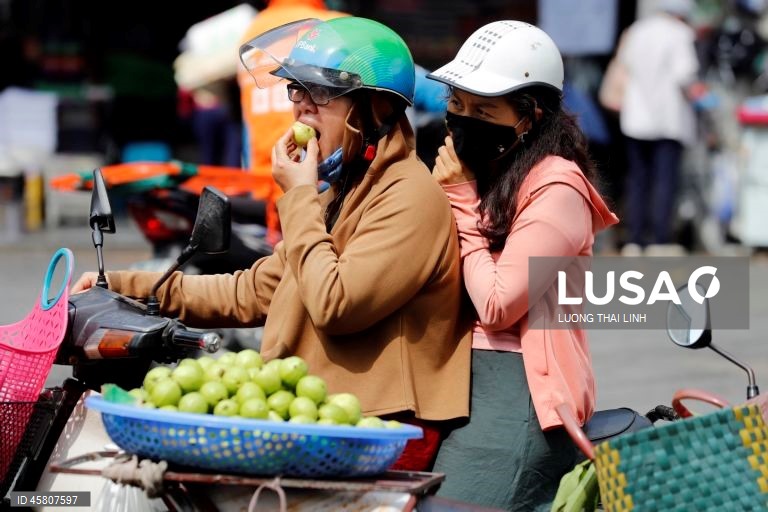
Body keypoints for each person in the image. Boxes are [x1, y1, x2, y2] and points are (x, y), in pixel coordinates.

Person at [72, 16, 471, 471]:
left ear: (374, 109)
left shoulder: (409, 196)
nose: (300, 109)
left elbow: (336, 304)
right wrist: (123, 286)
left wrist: (299, 195)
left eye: (319, 93)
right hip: (313, 419)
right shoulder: (344, 191)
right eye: (295, 91)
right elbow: (254, 290)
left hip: (374, 430)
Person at [426, 20, 619, 511]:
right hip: (450, 378)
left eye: (484, 110)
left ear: (529, 117)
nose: (463, 120)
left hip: (518, 393)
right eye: (457, 105)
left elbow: (496, 304)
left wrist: (459, 200)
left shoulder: (558, 189)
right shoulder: (477, 173)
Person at [237, 0, 348, 246]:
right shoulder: (338, 25)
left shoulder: (253, 30)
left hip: (267, 185)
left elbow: (249, 125)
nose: (304, 105)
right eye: (296, 91)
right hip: (320, 181)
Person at [616, 0, 702, 255]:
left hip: (636, 118)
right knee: (665, 180)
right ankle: (660, 240)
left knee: (638, 179)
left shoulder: (637, 30)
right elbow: (685, 74)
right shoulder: (680, 34)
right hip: (668, 119)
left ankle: (634, 239)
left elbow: (626, 65)